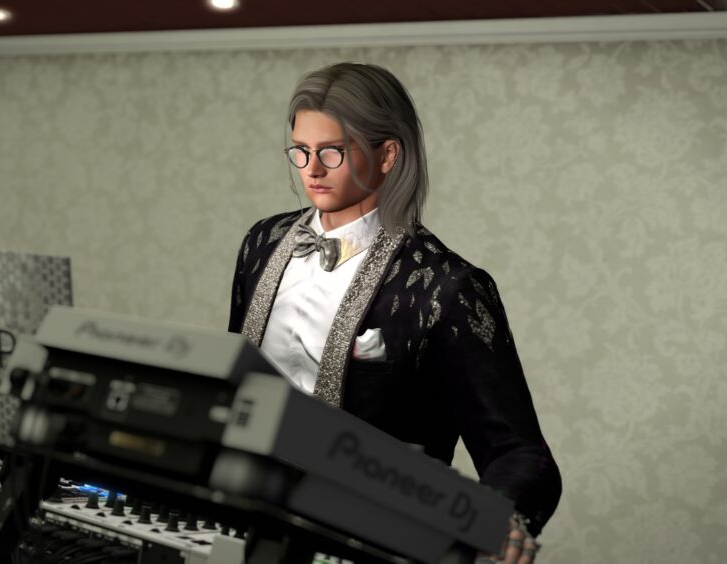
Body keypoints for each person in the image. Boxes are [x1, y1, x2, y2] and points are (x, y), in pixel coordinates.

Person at [228, 62, 561, 563]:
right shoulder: (262, 243)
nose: (311, 169)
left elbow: (519, 452)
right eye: (301, 151)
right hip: (246, 518)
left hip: (372, 539)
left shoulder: (447, 287)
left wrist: (498, 521)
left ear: (388, 155)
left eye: (333, 152)